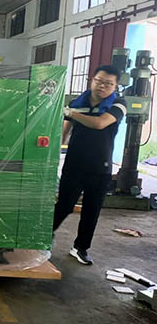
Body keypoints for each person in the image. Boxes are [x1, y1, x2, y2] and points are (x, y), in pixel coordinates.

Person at [53, 65, 127, 265]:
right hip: (74, 164)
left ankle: (81, 248)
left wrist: (71, 113)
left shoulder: (118, 104)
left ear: (115, 86)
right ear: (92, 80)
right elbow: (65, 131)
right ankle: (43, 238)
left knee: (91, 210)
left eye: (108, 84)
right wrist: (54, 153)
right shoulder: (77, 103)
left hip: (100, 168)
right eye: (99, 81)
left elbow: (100, 123)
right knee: (64, 205)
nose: (102, 86)